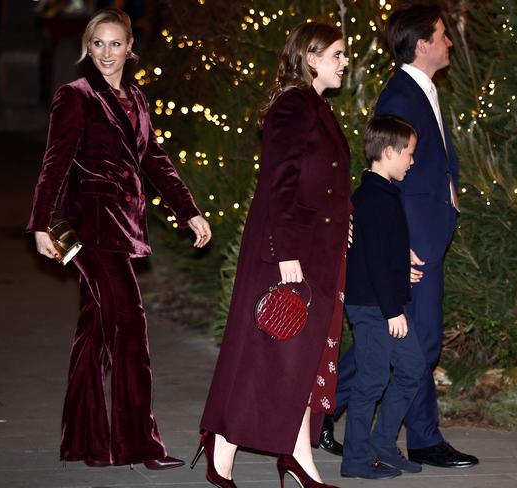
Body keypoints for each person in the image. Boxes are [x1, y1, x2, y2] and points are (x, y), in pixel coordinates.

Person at [26, 7, 211, 470]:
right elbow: (55, 163)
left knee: (96, 331)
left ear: (131, 47)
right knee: (130, 329)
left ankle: (84, 441)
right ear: (88, 48)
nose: (106, 53)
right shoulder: (75, 96)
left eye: (115, 44)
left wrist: (188, 211)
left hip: (124, 225)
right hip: (88, 230)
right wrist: (40, 224)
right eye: (97, 44)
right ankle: (138, 445)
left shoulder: (137, 98)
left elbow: (155, 161)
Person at [194, 21, 353, 488]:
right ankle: (222, 447)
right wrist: (286, 254)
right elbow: (278, 183)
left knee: (298, 358)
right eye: (338, 55)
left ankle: (298, 452)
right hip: (289, 250)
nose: (345, 63)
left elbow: (324, 180)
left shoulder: (317, 105)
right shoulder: (293, 104)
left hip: (316, 248)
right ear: (312, 57)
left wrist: (345, 222)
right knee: (268, 352)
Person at [329, 2, 479, 468]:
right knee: (416, 343)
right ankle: (421, 439)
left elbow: (432, 166)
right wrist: (405, 248)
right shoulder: (400, 97)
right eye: (442, 34)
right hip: (412, 245)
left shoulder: (424, 90)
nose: (449, 41)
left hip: (424, 238)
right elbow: (393, 181)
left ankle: (317, 411)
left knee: (396, 344)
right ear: (421, 44)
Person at [340, 115, 425, 480]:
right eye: (408, 153)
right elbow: (371, 259)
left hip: (386, 302)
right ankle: (356, 460)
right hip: (373, 307)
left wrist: (400, 268)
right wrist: (392, 310)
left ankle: (384, 446)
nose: (412, 160)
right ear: (389, 152)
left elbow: (378, 251)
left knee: (411, 369)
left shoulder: (385, 193)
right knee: (372, 380)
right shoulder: (372, 198)